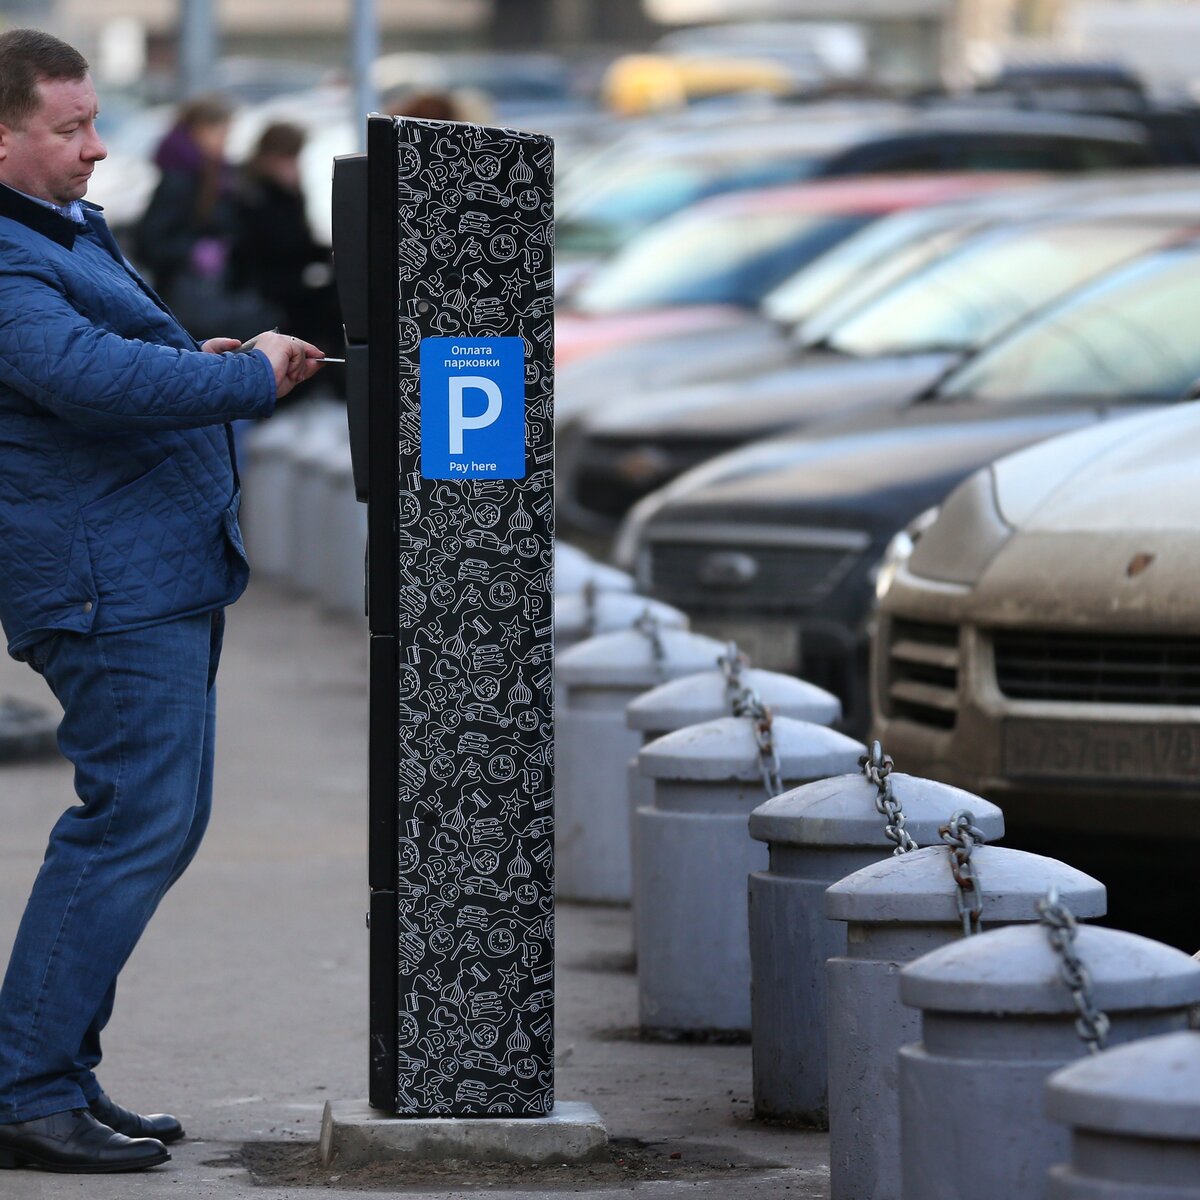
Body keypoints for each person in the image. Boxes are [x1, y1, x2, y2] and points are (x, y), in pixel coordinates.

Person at [0, 29, 325, 1174]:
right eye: (68, 128)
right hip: (106, 587)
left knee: (151, 825)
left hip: (153, 571)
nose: (98, 148)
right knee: (129, 825)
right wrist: (236, 376)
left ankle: (54, 1075)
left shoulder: (58, 224)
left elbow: (111, 355)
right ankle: (26, 1088)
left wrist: (199, 358)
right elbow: (80, 377)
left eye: (94, 121)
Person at [135, 94, 278, 342]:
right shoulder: (180, 179)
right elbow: (150, 243)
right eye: (221, 132)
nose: (225, 141)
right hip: (186, 298)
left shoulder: (217, 173)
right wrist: (194, 252)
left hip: (215, 292)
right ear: (199, 130)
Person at [229, 122, 341, 357]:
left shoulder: (284, 192)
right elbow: (279, 245)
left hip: (284, 277)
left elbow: (301, 242)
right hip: (264, 283)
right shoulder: (253, 195)